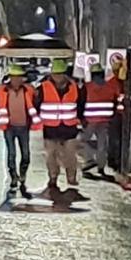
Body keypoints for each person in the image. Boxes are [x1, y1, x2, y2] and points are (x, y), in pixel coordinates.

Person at [36, 59, 88, 201]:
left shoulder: (75, 88)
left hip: (69, 128)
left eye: (60, 74)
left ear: (65, 75)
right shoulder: (43, 88)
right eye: (55, 74)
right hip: (50, 128)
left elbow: (81, 105)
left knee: (70, 155)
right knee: (51, 155)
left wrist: (81, 119)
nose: (57, 77)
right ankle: (53, 178)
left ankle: (71, 177)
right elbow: (37, 105)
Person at [0, 65, 41, 198]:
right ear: (11, 78)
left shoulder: (29, 90)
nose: (16, 80)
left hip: (24, 127)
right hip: (9, 127)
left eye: (19, 78)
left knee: (26, 155)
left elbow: (37, 103)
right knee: (11, 154)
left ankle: (22, 175)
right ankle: (14, 176)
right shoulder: (2, 91)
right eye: (14, 77)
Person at [82, 63, 123, 178]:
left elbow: (82, 102)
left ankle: (90, 160)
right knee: (102, 145)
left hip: (91, 120)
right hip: (106, 119)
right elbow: (117, 99)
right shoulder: (110, 86)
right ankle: (101, 168)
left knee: (82, 140)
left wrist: (81, 119)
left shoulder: (87, 86)